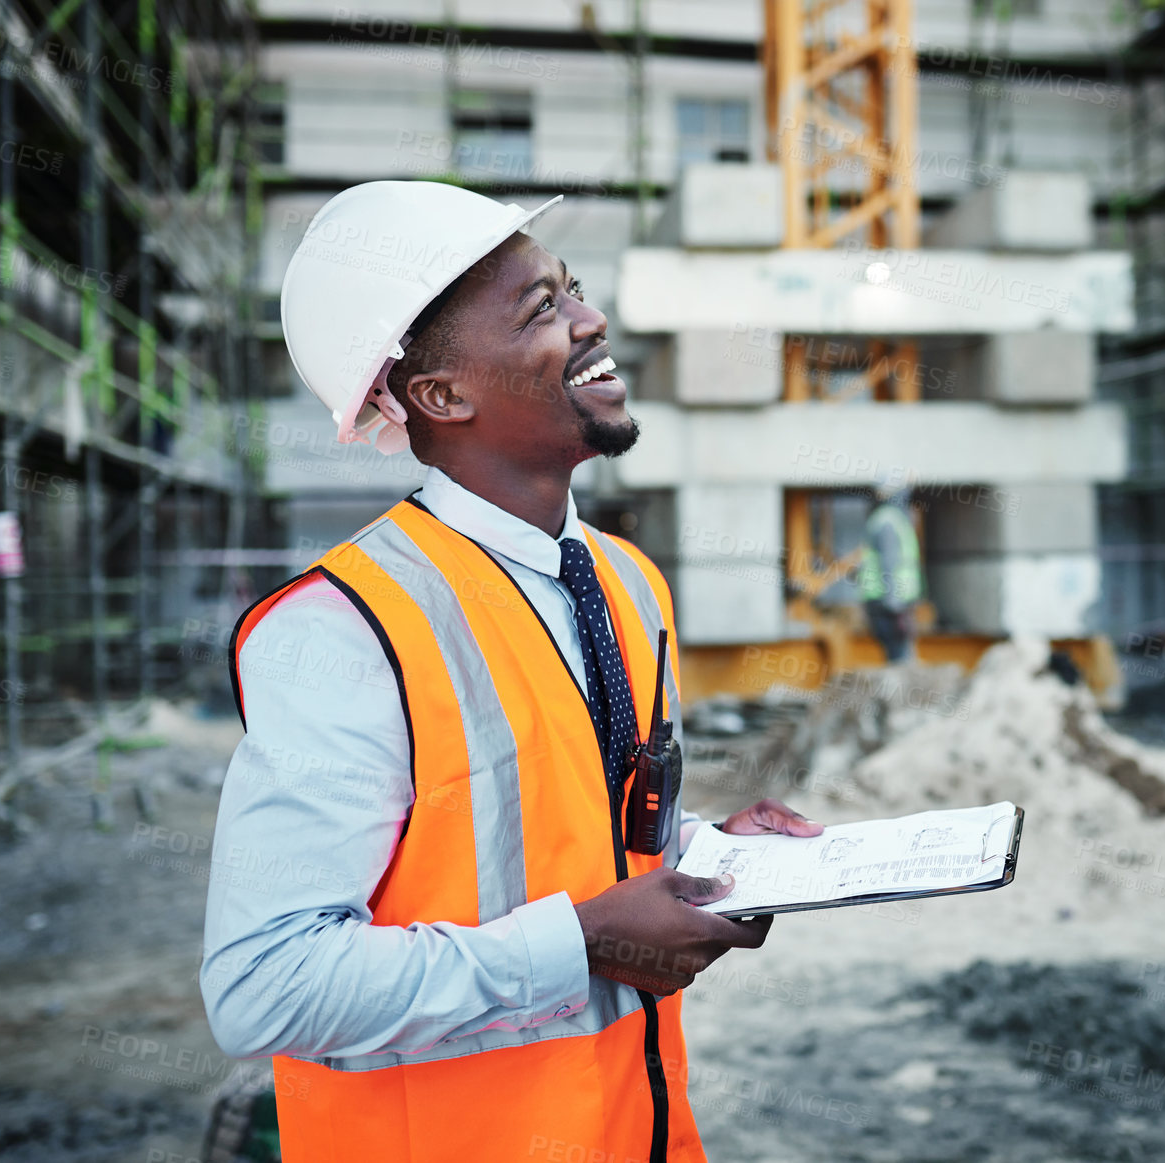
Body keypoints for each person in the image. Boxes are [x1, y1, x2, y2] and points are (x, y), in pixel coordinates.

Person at [200, 181, 822, 1163]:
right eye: (543, 306)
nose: (591, 316)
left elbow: (581, 837)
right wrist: (581, 943)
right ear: (441, 395)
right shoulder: (345, 628)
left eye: (570, 288)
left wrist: (715, 858)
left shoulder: (625, 582)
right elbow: (266, 985)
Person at [856, 479, 923, 663]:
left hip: (888, 600)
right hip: (890, 603)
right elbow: (889, 563)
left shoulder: (886, 519)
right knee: (900, 658)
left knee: (898, 656)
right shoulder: (889, 522)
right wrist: (895, 605)